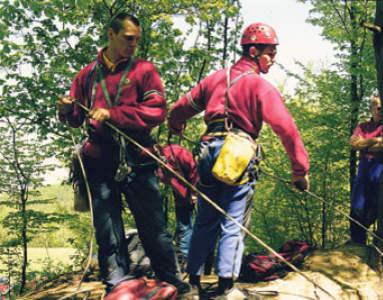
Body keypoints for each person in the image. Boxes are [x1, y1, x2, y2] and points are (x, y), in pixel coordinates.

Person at [168, 23, 310, 297]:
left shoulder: (215, 79)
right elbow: (286, 129)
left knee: (206, 219)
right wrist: (300, 170)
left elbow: (180, 108)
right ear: (254, 51)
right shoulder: (259, 85)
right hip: (239, 152)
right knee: (233, 221)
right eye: (270, 52)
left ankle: (193, 284)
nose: (274, 58)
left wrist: (176, 125)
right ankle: (226, 287)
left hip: (209, 150)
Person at [57, 12, 192, 297]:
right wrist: (66, 110)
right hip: (98, 160)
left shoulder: (144, 70)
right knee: (107, 229)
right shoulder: (87, 76)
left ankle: (172, 281)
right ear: (111, 34)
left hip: (138, 158)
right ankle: (117, 285)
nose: (134, 45)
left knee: (154, 226)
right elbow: (75, 120)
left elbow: (157, 111)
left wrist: (114, 114)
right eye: (128, 39)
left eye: (137, 40)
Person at [156, 143, 198, 270]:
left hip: (194, 192)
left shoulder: (176, 152)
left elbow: (194, 169)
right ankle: (184, 259)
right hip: (181, 196)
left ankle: (192, 260)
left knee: (196, 226)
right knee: (184, 227)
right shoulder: (157, 161)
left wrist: (195, 191)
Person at [349, 95, 383, 245]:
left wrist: (364, 143)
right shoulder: (363, 126)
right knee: (358, 202)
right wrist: (375, 140)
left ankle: (368, 235)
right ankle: (357, 240)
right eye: (376, 106)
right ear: (371, 109)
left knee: (376, 202)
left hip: (380, 165)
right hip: (364, 165)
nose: (379, 109)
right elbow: (353, 144)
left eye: (382, 107)